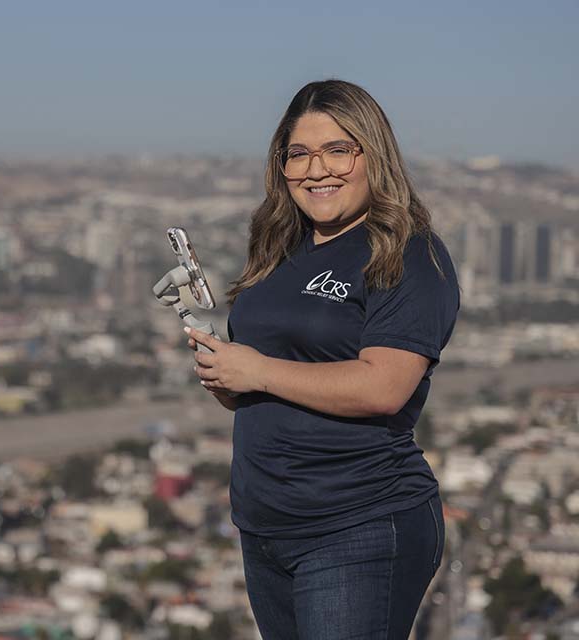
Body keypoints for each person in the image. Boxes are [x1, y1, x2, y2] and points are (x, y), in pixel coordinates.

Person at [184, 79, 460, 639]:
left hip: (358, 523)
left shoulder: (408, 253)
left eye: (339, 150)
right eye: (299, 154)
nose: (317, 171)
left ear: (373, 155)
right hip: (265, 528)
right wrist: (228, 378)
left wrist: (257, 369)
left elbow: (383, 387)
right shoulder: (280, 247)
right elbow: (274, 377)